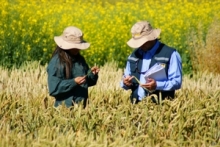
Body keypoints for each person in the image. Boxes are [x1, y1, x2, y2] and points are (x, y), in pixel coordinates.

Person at [120, 21, 182, 104]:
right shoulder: (133, 56)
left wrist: (157, 85)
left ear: (151, 38)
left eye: (142, 42)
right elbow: (125, 79)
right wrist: (125, 83)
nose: (140, 45)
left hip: (161, 108)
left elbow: (177, 82)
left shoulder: (171, 54)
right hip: (135, 107)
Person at [47, 26, 99, 108]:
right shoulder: (57, 62)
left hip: (82, 107)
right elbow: (54, 89)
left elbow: (87, 82)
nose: (77, 49)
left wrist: (92, 74)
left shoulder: (80, 60)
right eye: (74, 46)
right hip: (64, 109)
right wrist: (73, 82)